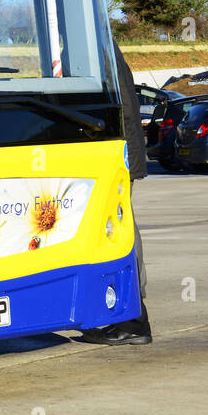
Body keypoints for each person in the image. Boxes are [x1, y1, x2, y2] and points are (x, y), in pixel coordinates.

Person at [80, 42, 152, 345]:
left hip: (114, 155)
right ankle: (126, 313)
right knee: (121, 233)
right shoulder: (105, 46)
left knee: (119, 235)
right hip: (120, 152)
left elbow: (112, 107)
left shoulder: (98, 48)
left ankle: (133, 321)